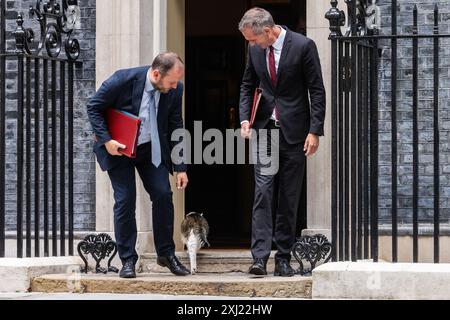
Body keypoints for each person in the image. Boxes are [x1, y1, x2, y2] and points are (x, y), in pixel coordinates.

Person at [238, 8, 326, 277]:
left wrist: (315, 131)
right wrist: (244, 119)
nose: (250, 45)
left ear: (266, 31)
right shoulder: (254, 51)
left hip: (295, 133)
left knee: (289, 196)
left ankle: (284, 257)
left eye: (252, 39)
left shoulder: (303, 46)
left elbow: (317, 89)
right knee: (263, 194)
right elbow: (247, 84)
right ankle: (259, 258)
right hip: (265, 130)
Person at [87, 52, 190, 278]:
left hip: (150, 148)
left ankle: (166, 254)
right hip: (119, 148)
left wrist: (181, 166)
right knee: (125, 200)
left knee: (163, 194)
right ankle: (128, 260)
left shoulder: (175, 90)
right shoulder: (122, 79)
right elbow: (93, 106)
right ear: (155, 74)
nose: (175, 87)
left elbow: (176, 124)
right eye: (172, 81)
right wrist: (106, 140)